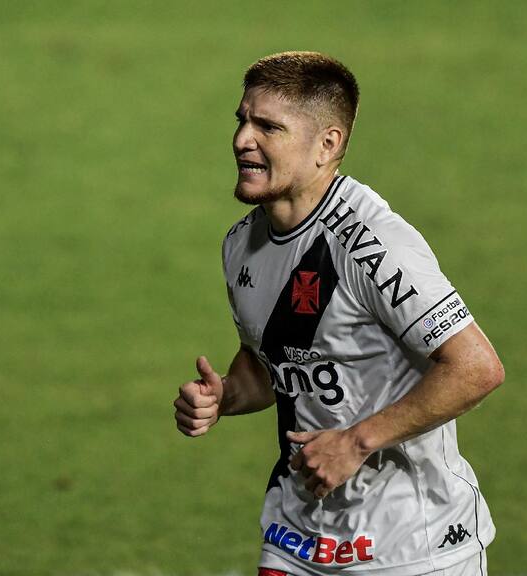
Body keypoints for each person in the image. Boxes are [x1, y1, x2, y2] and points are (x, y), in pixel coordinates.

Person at [173, 51, 504, 576]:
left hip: (410, 545)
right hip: (298, 534)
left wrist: (355, 441)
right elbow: (273, 361)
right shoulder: (242, 243)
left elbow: (476, 368)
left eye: (268, 127)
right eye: (242, 120)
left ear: (327, 144)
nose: (242, 139)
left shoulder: (374, 246)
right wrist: (225, 396)